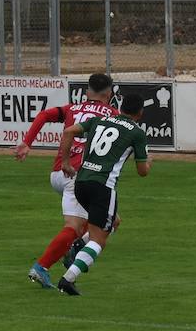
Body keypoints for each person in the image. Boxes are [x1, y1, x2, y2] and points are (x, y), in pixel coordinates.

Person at [15, 73, 118, 288]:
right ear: (109, 94)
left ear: (87, 92)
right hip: (78, 175)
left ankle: (74, 247)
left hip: (58, 172)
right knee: (75, 226)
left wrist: (27, 143)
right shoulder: (112, 115)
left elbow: (44, 115)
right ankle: (42, 267)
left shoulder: (72, 108)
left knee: (112, 220)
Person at [53, 93, 151, 296]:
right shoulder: (137, 132)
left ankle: (79, 245)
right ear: (140, 113)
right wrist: (149, 161)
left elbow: (69, 131)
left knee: (114, 221)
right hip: (102, 186)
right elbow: (143, 172)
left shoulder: (99, 120)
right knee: (99, 241)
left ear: (121, 107)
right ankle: (68, 279)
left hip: (80, 183)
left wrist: (65, 162)